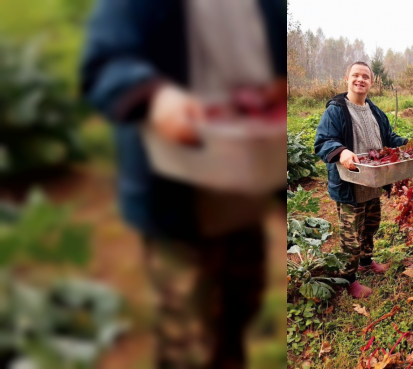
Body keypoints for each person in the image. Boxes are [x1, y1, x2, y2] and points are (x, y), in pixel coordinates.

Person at [79, 0, 286, 367]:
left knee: (238, 313)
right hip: (177, 192)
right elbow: (104, 62)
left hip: (245, 189)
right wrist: (154, 96)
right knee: (189, 340)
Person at [314, 61, 408, 299]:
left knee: (370, 226)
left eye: (365, 76)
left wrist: (407, 146)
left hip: (373, 182)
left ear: (371, 82)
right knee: (351, 237)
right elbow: (324, 141)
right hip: (350, 185)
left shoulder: (375, 111)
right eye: (355, 75)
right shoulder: (336, 110)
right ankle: (349, 279)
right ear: (347, 78)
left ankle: (366, 262)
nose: (360, 80)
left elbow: (388, 138)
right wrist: (342, 151)